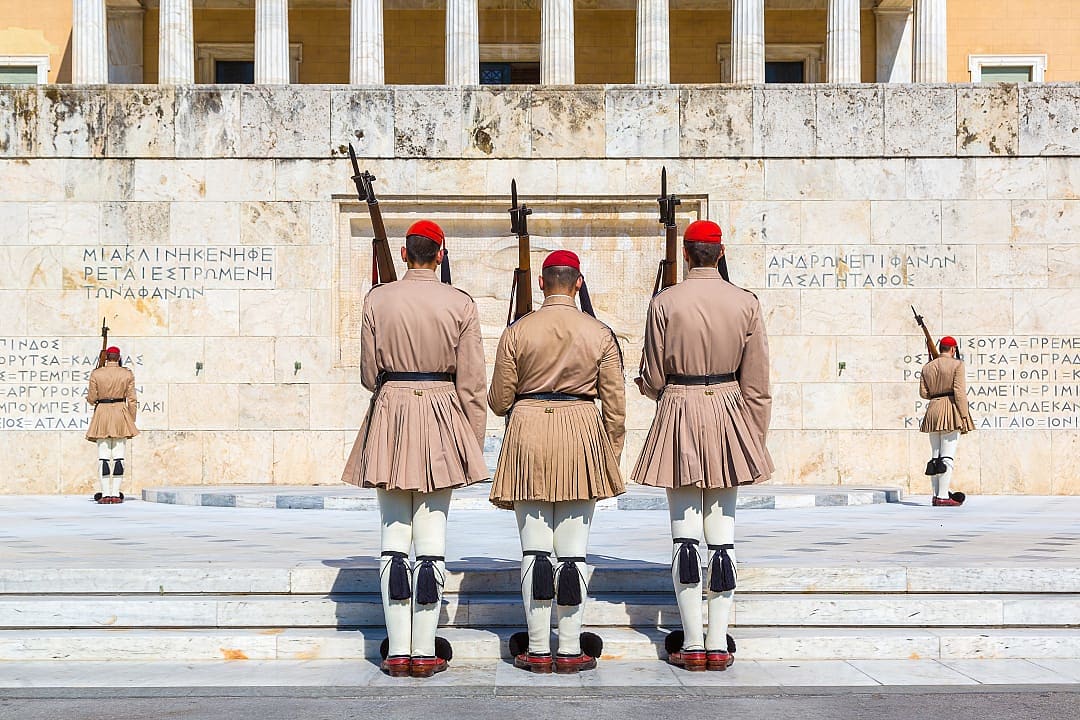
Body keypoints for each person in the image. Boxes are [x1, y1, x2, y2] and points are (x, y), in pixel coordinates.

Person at [340, 220, 487, 678]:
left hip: (392, 414)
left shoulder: (376, 299)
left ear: (405, 255)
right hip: (443, 413)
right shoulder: (460, 302)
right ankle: (425, 649)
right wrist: (471, 444)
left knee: (392, 537)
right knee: (432, 539)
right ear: (440, 255)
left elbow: (368, 375)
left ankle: (397, 649)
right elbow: (473, 383)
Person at [631, 220, 772, 672]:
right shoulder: (746, 302)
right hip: (730, 409)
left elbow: (653, 376)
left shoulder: (664, 302)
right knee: (723, 538)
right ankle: (717, 639)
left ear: (687, 254)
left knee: (685, 536)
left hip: (680, 408)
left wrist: (655, 387)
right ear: (720, 252)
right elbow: (758, 382)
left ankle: (691, 642)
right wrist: (752, 438)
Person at [488, 250, 625, 675]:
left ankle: (534, 648)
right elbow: (615, 403)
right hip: (582, 432)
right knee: (573, 554)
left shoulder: (517, 331)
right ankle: (568, 648)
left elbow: (498, 402)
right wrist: (609, 453)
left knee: (534, 550)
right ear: (578, 283)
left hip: (529, 431)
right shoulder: (599, 333)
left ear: (544, 283)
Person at [919, 336, 975, 507]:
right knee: (947, 456)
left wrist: (936, 391)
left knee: (935, 457)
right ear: (953, 349)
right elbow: (959, 392)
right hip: (950, 409)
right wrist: (964, 415)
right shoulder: (957, 365)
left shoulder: (927, 367)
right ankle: (943, 496)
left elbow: (924, 393)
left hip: (933, 410)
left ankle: (936, 495)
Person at [86, 346, 138, 505]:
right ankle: (115, 493)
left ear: (107, 357)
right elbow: (132, 399)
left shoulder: (97, 373)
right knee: (119, 456)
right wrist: (131, 419)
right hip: (120, 413)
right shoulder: (127, 373)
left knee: (103, 456)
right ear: (119, 357)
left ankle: (105, 493)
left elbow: (91, 398)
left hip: (102, 413)